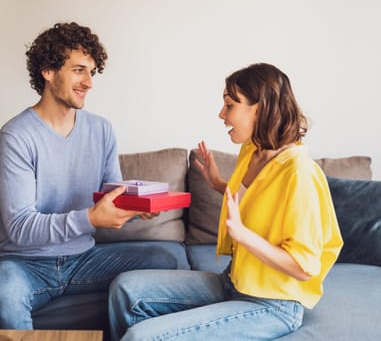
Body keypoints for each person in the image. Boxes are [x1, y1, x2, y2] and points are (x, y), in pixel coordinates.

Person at [109, 63, 343, 340]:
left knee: (142, 336)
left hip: (273, 304)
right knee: (125, 288)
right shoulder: (253, 150)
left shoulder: (299, 172)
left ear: (259, 109)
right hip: (234, 282)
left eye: (230, 105)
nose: (222, 114)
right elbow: (256, 198)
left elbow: (304, 268)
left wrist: (243, 236)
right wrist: (217, 183)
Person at [0, 22, 178, 329]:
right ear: (48, 71)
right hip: (24, 263)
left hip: (83, 260)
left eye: (91, 72)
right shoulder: (15, 137)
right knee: (4, 288)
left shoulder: (101, 130)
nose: (88, 82)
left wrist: (136, 207)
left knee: (164, 260)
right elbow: (20, 227)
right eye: (78, 70)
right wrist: (90, 219)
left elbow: (108, 195)